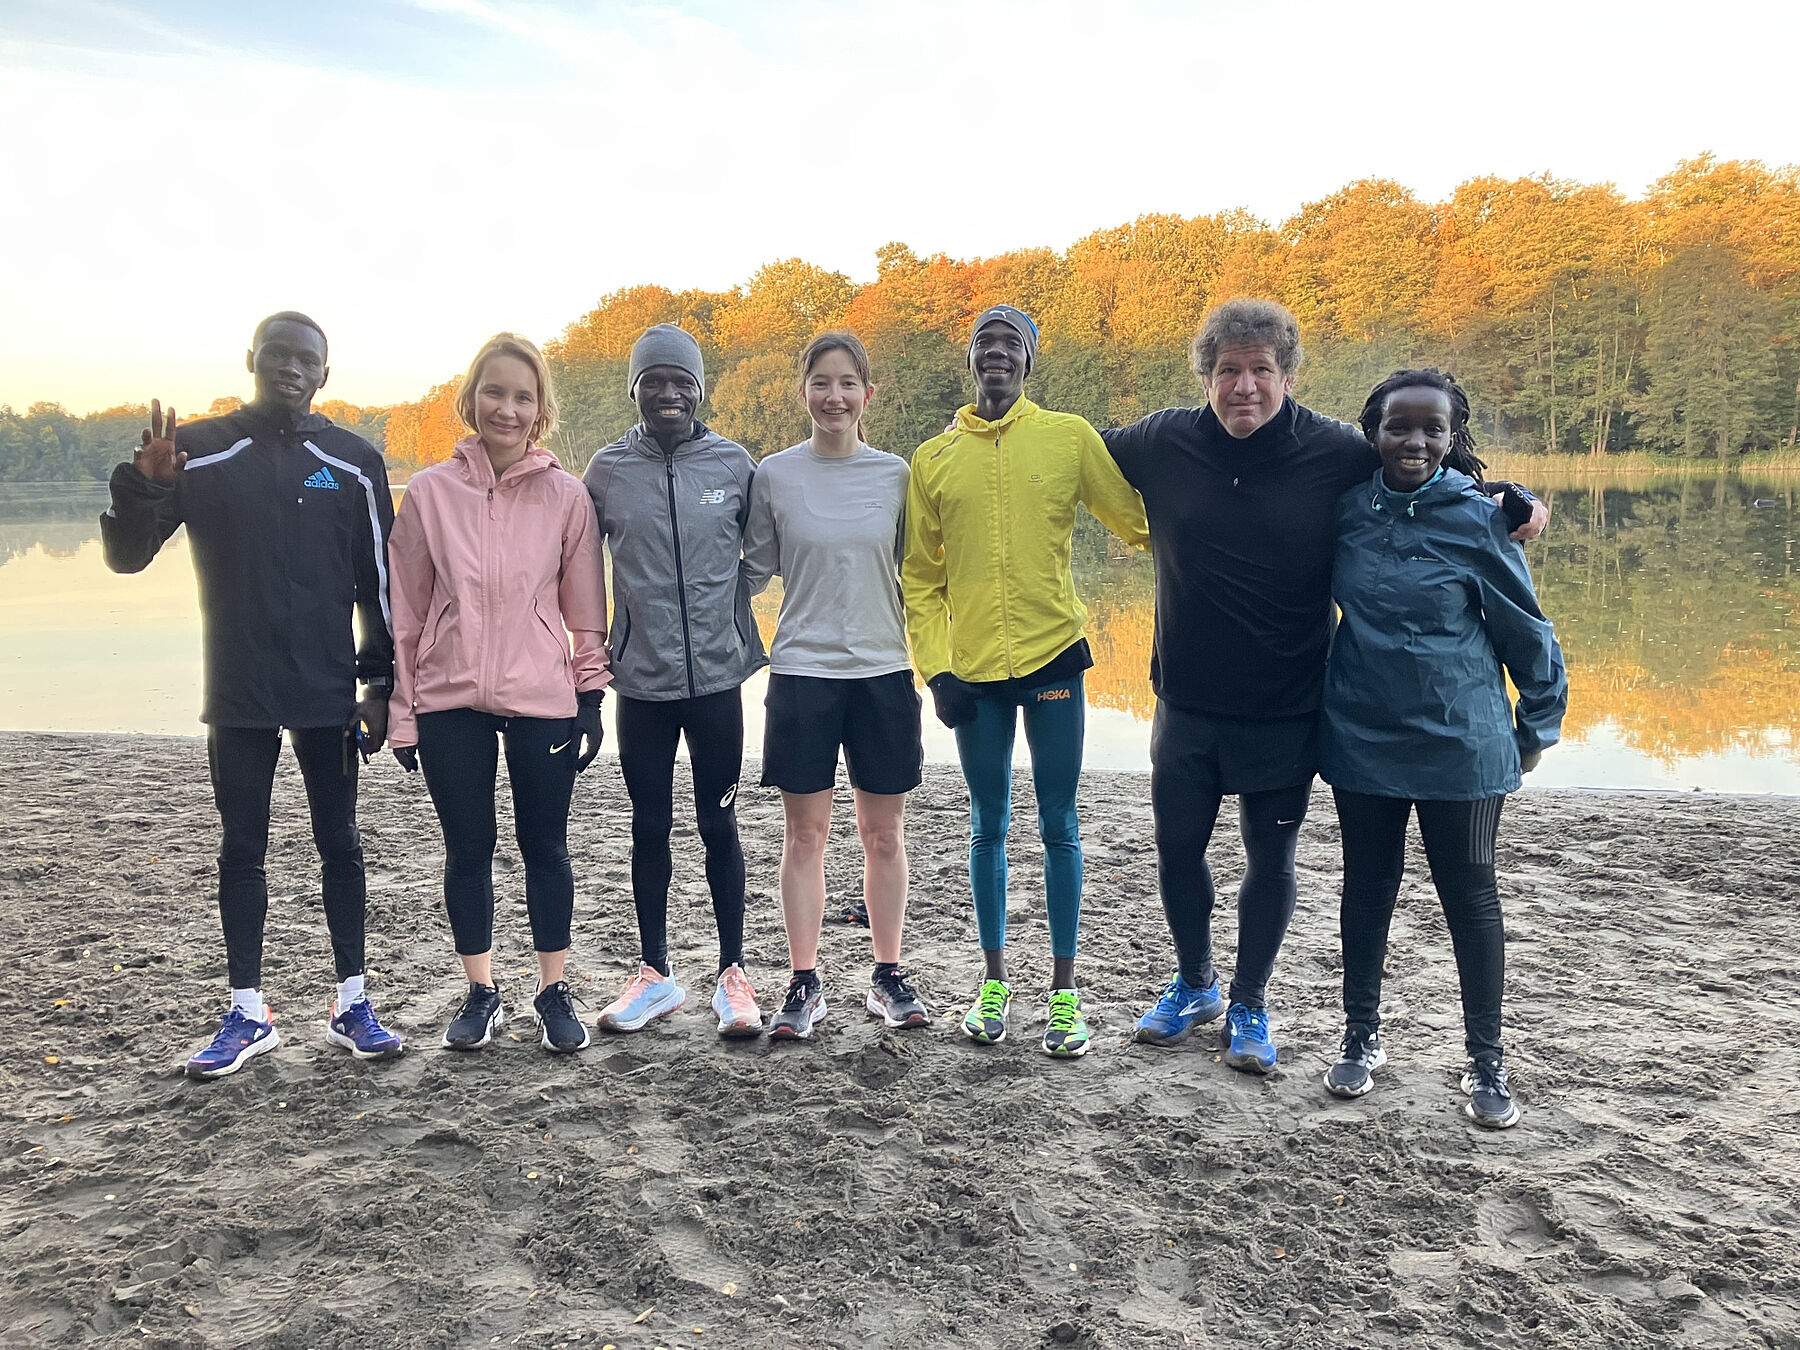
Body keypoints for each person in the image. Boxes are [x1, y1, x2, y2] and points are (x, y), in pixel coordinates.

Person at [1101, 298, 1548, 1074]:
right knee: (1177, 851)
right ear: (1206, 374)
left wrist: (1510, 498)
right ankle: (1194, 983)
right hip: (1184, 700)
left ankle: (1249, 1001)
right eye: (1229, 370)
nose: (1245, 386)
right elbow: (1064, 456)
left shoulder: (1334, 449)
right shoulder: (1160, 441)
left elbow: (1421, 464)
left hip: (1287, 706)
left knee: (1268, 860)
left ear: (1288, 374)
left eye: (1261, 370)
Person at [100, 312, 403, 1078]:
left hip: (327, 690)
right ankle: (247, 1010)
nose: (291, 368)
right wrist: (144, 488)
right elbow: (128, 558)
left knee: (341, 843)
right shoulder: (199, 450)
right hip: (237, 687)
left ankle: (353, 1000)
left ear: (325, 375)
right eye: (278, 354)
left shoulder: (355, 461)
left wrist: (379, 683)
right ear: (251, 360)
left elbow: (382, 587)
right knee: (243, 847)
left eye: (307, 359)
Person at [1319, 369, 1566, 1128]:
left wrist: (1534, 731)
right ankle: (1362, 1039)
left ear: (1453, 437)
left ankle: (1486, 1061)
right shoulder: (1346, 513)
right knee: (1366, 888)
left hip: (1464, 742)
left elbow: (1529, 633)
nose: (1416, 441)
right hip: (1362, 735)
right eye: (1400, 426)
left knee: (1470, 895)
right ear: (1373, 433)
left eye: (1434, 429)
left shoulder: (1478, 518)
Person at [903, 305, 1150, 1057]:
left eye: (1012, 343)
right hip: (972, 675)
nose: (998, 353)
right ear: (971, 359)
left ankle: (1065, 994)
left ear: (1029, 361)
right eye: (986, 342)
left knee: (1059, 823)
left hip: (1052, 660)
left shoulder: (1069, 438)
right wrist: (937, 669)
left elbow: (1139, 523)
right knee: (987, 824)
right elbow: (920, 578)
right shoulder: (933, 458)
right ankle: (994, 983)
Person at [386, 334, 610, 1054]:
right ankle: (481, 991)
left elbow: (585, 612)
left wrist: (591, 699)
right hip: (449, 700)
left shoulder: (567, 497)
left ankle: (552, 990)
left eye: (522, 396)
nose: (507, 409)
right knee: (468, 848)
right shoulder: (428, 493)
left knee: (545, 845)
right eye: (495, 392)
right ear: (471, 398)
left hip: (542, 699)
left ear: (540, 408)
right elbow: (409, 613)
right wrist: (403, 714)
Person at [582, 324, 768, 1037]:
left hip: (720, 681)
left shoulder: (732, 462)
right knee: (649, 826)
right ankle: (655, 973)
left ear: (699, 388)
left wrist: (727, 606)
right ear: (635, 388)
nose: (668, 393)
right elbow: (575, 568)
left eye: (680, 381)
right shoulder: (606, 471)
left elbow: (763, 550)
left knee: (719, 822)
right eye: (653, 381)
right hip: (643, 684)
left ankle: (733, 975)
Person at [742, 332, 928, 1040]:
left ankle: (887, 976)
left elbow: (921, 575)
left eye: (848, 383)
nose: (834, 396)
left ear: (867, 395)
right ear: (803, 393)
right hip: (801, 673)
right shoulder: (774, 476)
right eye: (821, 382)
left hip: (882, 672)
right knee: (805, 836)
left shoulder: (896, 475)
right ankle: (804, 980)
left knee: (884, 837)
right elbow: (749, 571)